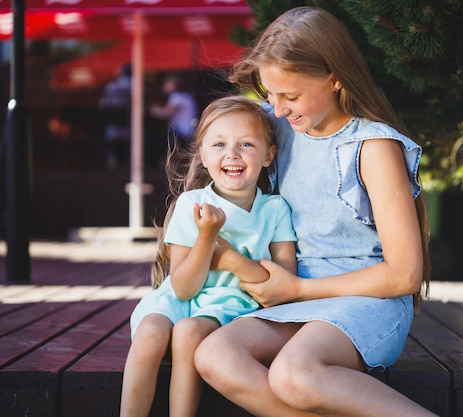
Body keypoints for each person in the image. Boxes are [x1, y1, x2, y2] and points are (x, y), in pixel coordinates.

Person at [194, 6, 437, 417]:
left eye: (290, 96)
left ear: (335, 77)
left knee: (294, 374)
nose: (279, 108)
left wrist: (297, 290)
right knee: (214, 355)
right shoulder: (279, 130)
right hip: (293, 297)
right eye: (270, 94)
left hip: (367, 301)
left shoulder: (372, 147)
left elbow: (406, 275)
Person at [120, 96, 297, 417]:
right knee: (150, 332)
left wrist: (229, 258)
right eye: (219, 144)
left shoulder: (274, 210)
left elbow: (282, 287)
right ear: (202, 154)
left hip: (231, 304)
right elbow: (183, 288)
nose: (232, 153)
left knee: (188, 332)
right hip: (177, 298)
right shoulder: (191, 204)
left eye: (246, 144)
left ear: (268, 154)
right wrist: (206, 237)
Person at [150, 74, 198, 145]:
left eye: (167, 83)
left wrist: (153, 110)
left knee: (154, 139)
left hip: (181, 133)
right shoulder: (186, 96)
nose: (164, 85)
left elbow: (165, 113)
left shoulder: (176, 96)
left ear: (174, 84)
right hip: (187, 132)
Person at [100, 63, 131, 170]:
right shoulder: (137, 85)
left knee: (112, 141)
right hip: (130, 122)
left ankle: (113, 163)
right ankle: (128, 163)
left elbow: (103, 104)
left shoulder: (112, 86)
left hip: (115, 121)